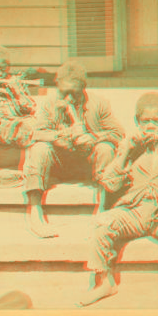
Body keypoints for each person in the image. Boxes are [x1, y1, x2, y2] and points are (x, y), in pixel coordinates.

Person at [79, 92, 158, 308]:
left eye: (157, 121)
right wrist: (127, 153)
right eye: (145, 121)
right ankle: (104, 283)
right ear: (137, 120)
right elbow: (110, 183)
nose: (151, 126)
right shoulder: (128, 144)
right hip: (132, 211)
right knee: (101, 224)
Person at [23, 60, 124, 238]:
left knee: (106, 148)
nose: (69, 98)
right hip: (61, 163)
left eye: (74, 94)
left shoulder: (98, 104)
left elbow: (117, 133)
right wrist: (59, 138)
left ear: (83, 88)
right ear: (57, 86)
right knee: (39, 149)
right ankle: (35, 212)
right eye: (64, 93)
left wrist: (95, 137)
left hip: (87, 166)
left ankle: (103, 209)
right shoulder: (50, 103)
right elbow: (36, 134)